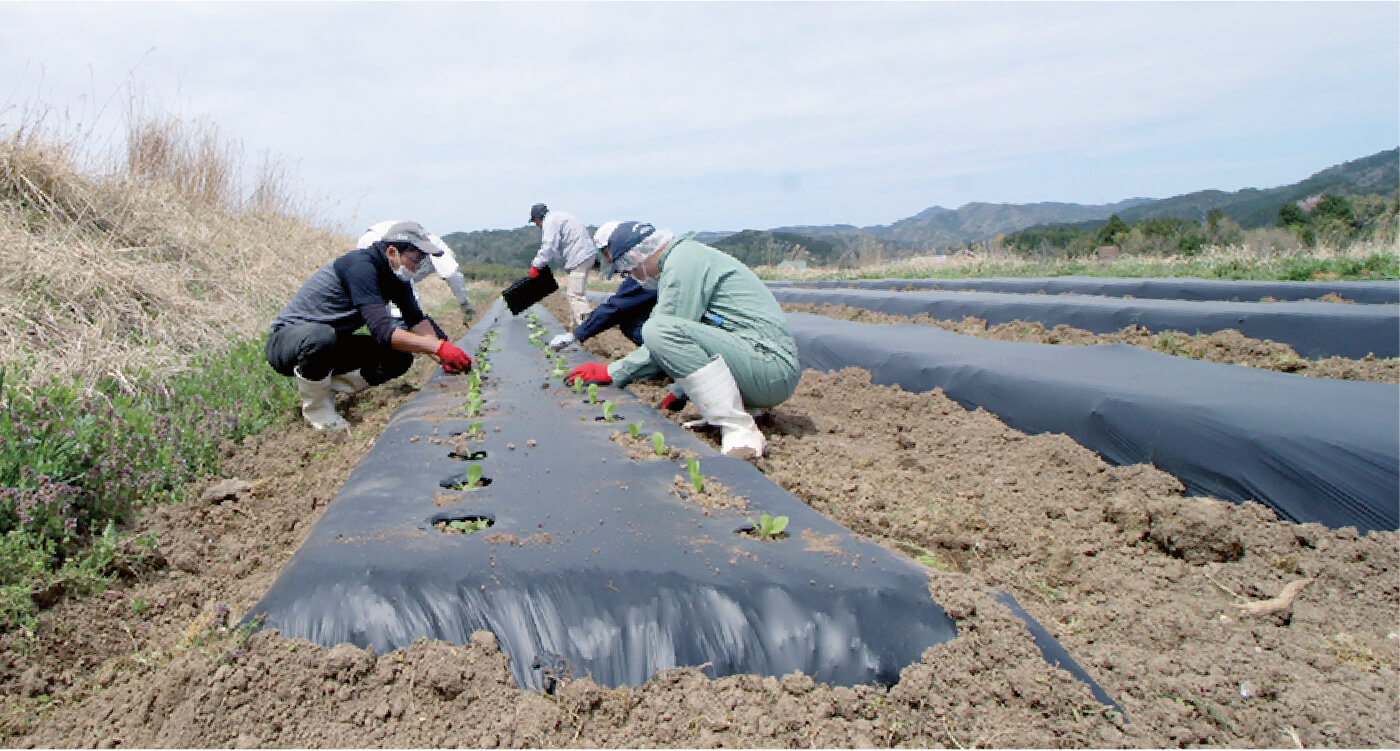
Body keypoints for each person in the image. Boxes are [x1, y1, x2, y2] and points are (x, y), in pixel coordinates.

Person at [565, 222, 799, 457]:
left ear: (634, 257)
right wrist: (680, 391)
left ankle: (739, 429)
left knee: (657, 329)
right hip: (760, 365)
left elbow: (666, 332)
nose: (632, 278)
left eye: (627, 271)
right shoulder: (683, 257)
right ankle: (745, 410)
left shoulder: (681, 264)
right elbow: (699, 338)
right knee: (660, 327)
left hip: (770, 368)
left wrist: (613, 372)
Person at [265, 220, 473, 431]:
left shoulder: (396, 277)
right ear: (392, 251)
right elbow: (383, 331)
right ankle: (318, 410)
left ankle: (328, 385)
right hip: (288, 343)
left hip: (332, 344)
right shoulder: (361, 267)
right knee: (321, 336)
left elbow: (415, 320)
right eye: (415, 259)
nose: (418, 267)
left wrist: (443, 355)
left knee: (399, 357)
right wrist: (437, 347)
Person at [547, 220, 660, 355]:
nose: (607, 260)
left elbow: (616, 308)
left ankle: (661, 360)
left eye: (605, 252)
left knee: (629, 320)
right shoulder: (652, 261)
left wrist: (575, 335)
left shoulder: (646, 271)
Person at [358, 221, 476, 328]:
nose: (418, 266)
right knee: (404, 303)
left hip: (368, 238)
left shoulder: (425, 241)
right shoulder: (436, 246)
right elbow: (452, 274)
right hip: (381, 238)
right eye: (417, 259)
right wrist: (464, 303)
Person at [527, 203, 597, 328]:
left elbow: (549, 246)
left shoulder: (550, 221)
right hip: (585, 256)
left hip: (579, 258)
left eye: (535, 222)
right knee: (574, 293)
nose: (536, 225)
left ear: (538, 218)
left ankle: (587, 328)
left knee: (575, 295)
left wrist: (536, 266)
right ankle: (575, 327)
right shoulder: (559, 217)